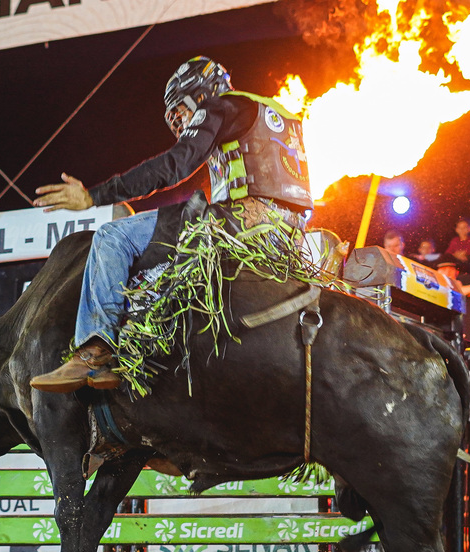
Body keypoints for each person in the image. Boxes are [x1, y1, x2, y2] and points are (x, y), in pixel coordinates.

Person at [30, 56, 312, 392]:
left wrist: (94, 196)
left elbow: (175, 165)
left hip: (240, 224)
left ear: (200, 92)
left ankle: (95, 350)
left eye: (181, 110)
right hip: (291, 238)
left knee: (113, 236)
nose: (181, 122)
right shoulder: (275, 113)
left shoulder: (218, 105)